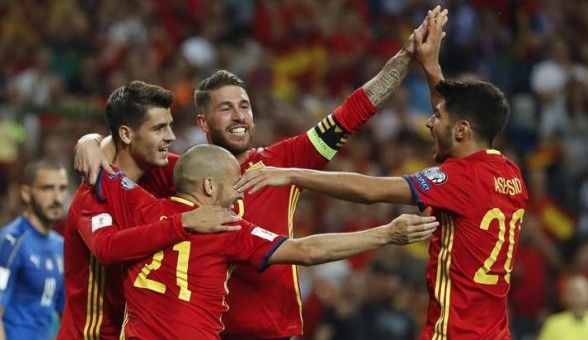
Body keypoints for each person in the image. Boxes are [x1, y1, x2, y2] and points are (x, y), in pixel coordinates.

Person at [74, 7, 449, 337]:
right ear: (203, 121)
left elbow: (352, 113)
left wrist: (406, 56)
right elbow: (124, 152)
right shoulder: (181, 171)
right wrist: (90, 141)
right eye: (226, 109)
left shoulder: (285, 160)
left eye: (245, 106)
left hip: (273, 332)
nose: (239, 115)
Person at [235, 10, 530, 339]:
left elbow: (369, 191)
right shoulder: (510, 174)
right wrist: (430, 65)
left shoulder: (461, 178)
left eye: (437, 117)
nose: (430, 123)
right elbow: (455, 122)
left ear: (461, 130)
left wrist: (291, 175)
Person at [96, 143, 438, 339]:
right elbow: (306, 250)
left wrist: (88, 143)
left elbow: (102, 168)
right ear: (210, 188)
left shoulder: (141, 208)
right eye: (234, 184)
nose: (238, 194)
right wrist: (386, 233)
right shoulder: (228, 228)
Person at [58, 81, 240, 339]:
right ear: (127, 135)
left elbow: (216, 172)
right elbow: (107, 248)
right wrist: (184, 222)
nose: (171, 136)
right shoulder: (94, 191)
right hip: (92, 335)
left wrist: (91, 140)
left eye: (170, 125)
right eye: (159, 128)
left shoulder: (165, 172)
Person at [0, 159, 69, 340]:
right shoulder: (11, 242)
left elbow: (66, 313)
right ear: (26, 193)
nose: (57, 198)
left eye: (62, 188)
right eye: (47, 188)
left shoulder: (61, 246)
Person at [538, 274, 588, 340]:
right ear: (566, 296)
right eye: (574, 292)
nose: (578, 296)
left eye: (582, 291)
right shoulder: (554, 323)